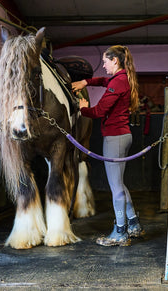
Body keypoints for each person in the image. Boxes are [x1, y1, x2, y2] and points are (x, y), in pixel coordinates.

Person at [72, 45, 143, 247]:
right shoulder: (121, 78)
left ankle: (120, 232)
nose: (103, 65)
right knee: (119, 183)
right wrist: (86, 81)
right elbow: (104, 81)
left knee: (116, 187)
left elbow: (99, 111)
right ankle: (134, 224)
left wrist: (84, 108)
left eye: (105, 61)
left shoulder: (119, 81)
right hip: (122, 136)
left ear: (115, 61)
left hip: (115, 138)